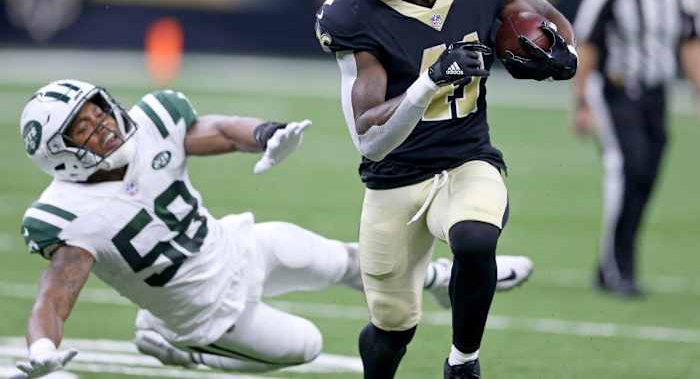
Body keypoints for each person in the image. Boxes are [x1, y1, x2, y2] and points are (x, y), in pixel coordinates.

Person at [12, 79, 533, 379]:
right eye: (84, 128)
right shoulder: (71, 214)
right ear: (60, 153)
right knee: (305, 345)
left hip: (234, 245)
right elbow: (54, 298)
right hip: (203, 312)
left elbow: (216, 130)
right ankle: (166, 338)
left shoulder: (149, 126)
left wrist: (265, 134)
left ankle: (440, 280)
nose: (103, 125)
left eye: (98, 111)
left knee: (338, 259)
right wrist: (41, 349)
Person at [314, 0, 578, 378]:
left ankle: (463, 362)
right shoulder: (351, 14)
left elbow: (541, 13)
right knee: (392, 329)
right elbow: (370, 140)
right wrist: (430, 80)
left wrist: (565, 52)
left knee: (475, 238)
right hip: (396, 177)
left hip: (465, 158)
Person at [572, 0, 700, 298]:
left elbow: (690, 42)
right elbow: (587, 45)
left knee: (647, 176)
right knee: (628, 169)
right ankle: (617, 269)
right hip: (615, 90)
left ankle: (610, 266)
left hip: (656, 92)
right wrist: (581, 103)